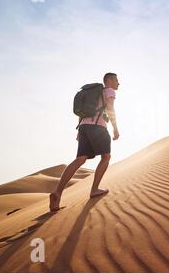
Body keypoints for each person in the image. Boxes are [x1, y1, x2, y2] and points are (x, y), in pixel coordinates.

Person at [49, 73, 120, 212]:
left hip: (84, 127)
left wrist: (80, 131)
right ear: (109, 81)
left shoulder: (94, 93)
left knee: (80, 159)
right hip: (98, 126)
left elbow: (83, 113)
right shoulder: (109, 91)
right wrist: (115, 129)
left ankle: (57, 192)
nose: (119, 83)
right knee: (106, 157)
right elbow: (111, 109)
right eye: (117, 80)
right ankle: (94, 189)